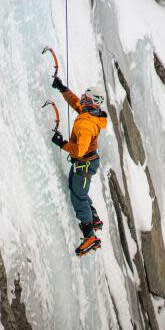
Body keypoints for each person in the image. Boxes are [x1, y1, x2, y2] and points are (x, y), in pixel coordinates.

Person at [50, 76, 108, 257]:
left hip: (84, 163)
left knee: (78, 197)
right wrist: (63, 88)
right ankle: (94, 219)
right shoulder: (91, 115)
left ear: (90, 101)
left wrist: (62, 144)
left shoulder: (86, 125)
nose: (81, 98)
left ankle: (89, 235)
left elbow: (79, 151)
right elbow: (76, 102)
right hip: (89, 162)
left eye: (85, 97)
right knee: (79, 192)